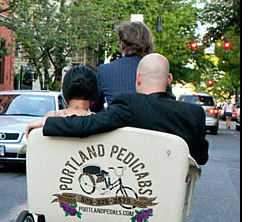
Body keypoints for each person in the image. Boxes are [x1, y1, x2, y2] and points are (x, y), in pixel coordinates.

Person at [26, 53, 209, 165]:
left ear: (137, 78)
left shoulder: (129, 105)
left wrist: (48, 121)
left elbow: (87, 124)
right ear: (169, 79)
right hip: (169, 202)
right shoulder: (195, 114)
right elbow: (201, 158)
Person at [91, 21, 155, 112]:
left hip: (117, 122)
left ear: (121, 43)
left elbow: (95, 107)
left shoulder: (105, 70)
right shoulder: (156, 70)